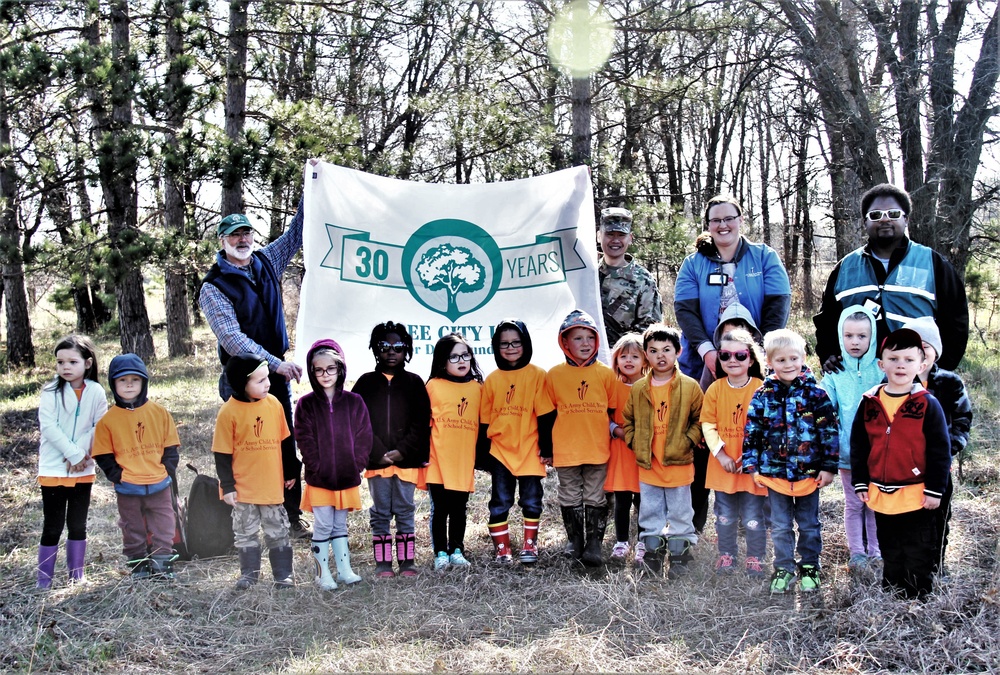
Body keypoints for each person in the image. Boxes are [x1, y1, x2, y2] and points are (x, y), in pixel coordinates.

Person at [674, 195, 791, 534]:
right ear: (707, 225)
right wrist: (710, 352)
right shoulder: (694, 263)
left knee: (755, 435)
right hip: (706, 360)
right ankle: (695, 522)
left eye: (729, 218)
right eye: (715, 220)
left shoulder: (764, 257)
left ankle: (758, 520)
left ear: (741, 219)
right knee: (703, 435)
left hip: (753, 360)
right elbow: (685, 310)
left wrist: (756, 353)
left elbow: (777, 304)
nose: (723, 225)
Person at [199, 205, 310, 539]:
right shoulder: (214, 285)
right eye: (234, 234)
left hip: (276, 371)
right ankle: (246, 520)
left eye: (246, 232)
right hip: (243, 376)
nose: (242, 239)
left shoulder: (266, 260)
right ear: (222, 241)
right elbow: (233, 340)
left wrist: (312, 183)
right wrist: (276, 365)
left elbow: (294, 235)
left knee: (283, 440)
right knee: (250, 448)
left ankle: (290, 517)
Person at [814, 183, 969, 374]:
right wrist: (828, 354)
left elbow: (956, 321)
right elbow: (827, 321)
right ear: (865, 222)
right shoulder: (845, 268)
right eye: (876, 215)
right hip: (859, 378)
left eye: (894, 214)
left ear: (906, 219)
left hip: (916, 379)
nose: (885, 220)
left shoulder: (932, 263)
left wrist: (940, 370)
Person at [850, 328, 951, 599]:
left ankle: (918, 595)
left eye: (908, 360)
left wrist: (934, 489)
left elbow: (940, 449)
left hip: (917, 493)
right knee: (890, 545)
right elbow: (859, 445)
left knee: (917, 546)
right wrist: (860, 481)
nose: (901, 366)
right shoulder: (870, 402)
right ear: (881, 364)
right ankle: (893, 591)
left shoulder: (927, 404)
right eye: (893, 359)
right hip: (882, 492)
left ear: (922, 364)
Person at [742, 329, 838, 594]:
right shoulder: (763, 395)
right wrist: (752, 466)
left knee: (809, 524)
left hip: (809, 473)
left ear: (803, 358)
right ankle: (783, 567)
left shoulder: (816, 394)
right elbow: (752, 432)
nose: (788, 365)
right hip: (775, 474)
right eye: (781, 360)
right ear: (770, 362)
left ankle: (810, 566)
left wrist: (829, 467)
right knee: (781, 525)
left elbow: (829, 431)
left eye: (793, 358)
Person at [623, 324, 703, 578]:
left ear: (678, 352)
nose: (661, 356)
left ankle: (680, 555)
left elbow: (700, 419)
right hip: (649, 466)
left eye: (667, 349)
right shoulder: (639, 389)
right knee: (650, 513)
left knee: (681, 513)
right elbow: (628, 420)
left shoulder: (690, 386)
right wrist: (634, 441)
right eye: (654, 350)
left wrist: (688, 440)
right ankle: (652, 555)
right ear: (646, 354)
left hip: (679, 463)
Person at [352, 321, 431, 578]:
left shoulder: (414, 383)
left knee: (406, 510)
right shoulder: (365, 384)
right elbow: (357, 421)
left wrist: (402, 451)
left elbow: (422, 422)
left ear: (406, 349)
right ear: (376, 349)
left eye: (398, 346)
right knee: (380, 512)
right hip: (377, 463)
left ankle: (407, 562)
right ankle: (383, 563)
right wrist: (378, 452)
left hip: (406, 461)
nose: (391, 351)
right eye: (385, 346)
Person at [92, 354, 181, 580]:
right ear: (113, 384)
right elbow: (103, 454)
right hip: (128, 486)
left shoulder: (159, 412)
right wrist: (118, 475)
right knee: (132, 528)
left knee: (164, 524)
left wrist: (167, 471)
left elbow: (171, 447)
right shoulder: (108, 420)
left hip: (159, 483)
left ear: (144, 382)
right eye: (122, 380)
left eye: (135, 379)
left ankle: (163, 565)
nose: (129, 384)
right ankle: (139, 566)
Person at [295, 339, 372, 590]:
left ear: (340, 370)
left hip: (347, 477)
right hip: (320, 479)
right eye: (318, 369)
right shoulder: (305, 404)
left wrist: (356, 464)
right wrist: (316, 466)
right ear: (311, 371)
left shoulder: (354, 402)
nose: (325, 374)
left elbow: (364, 436)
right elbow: (304, 439)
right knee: (324, 524)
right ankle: (322, 573)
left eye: (331, 368)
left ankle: (344, 569)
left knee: (340, 524)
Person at [213, 355, 295, 590]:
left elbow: (286, 441)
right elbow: (222, 453)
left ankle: (283, 575)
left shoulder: (274, 404)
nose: (267, 384)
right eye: (259, 381)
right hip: (243, 489)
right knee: (245, 533)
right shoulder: (228, 412)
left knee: (277, 530)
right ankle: (249, 575)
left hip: (271, 486)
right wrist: (227, 486)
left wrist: (290, 471)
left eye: (267, 378)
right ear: (241, 384)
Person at [544, 309, 617, 567]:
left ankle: (594, 543)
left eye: (590, 337)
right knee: (569, 494)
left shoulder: (606, 374)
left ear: (597, 341)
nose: (585, 343)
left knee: (596, 495)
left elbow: (613, 411)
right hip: (566, 449)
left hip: (598, 448)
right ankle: (574, 540)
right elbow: (547, 414)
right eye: (577, 338)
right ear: (565, 342)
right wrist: (547, 448)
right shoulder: (553, 375)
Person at [481, 319, 555, 565]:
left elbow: (545, 415)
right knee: (500, 501)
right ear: (495, 346)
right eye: (504, 343)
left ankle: (529, 546)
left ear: (526, 343)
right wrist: (482, 454)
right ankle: (502, 549)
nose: (510, 347)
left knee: (531, 500)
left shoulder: (537, 375)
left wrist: (547, 448)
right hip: (501, 451)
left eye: (516, 342)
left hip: (529, 449)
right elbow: (484, 421)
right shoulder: (491, 379)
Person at [36, 335, 108, 588]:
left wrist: (79, 454)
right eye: (60, 362)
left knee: (77, 524)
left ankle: (76, 576)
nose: (65, 367)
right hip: (53, 469)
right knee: (52, 526)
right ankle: (43, 579)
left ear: (87, 363)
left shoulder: (96, 391)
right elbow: (49, 427)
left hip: (82, 470)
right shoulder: (50, 391)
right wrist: (73, 454)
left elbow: (100, 425)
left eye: (72, 361)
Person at [902, 316, 972, 573]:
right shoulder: (898, 383)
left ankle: (936, 564)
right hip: (908, 466)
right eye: (912, 348)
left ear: (935, 351)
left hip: (939, 466)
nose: (920, 354)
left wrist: (951, 448)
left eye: (925, 347)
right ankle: (912, 564)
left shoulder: (950, 383)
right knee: (910, 516)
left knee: (939, 515)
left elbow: (963, 418)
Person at [819, 305, 884, 574]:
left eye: (861, 336)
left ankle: (876, 551)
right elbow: (824, 407)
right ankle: (857, 553)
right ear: (840, 336)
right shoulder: (835, 372)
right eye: (848, 336)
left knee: (876, 503)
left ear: (872, 337)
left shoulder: (881, 369)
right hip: (847, 454)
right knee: (855, 502)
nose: (855, 342)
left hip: (880, 453)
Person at [700, 328, 768, 577]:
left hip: (753, 468)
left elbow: (767, 426)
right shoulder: (716, 389)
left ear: (751, 358)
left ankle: (755, 557)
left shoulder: (761, 388)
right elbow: (708, 424)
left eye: (739, 355)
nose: (732, 360)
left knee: (753, 515)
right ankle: (727, 555)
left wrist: (751, 456)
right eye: (725, 355)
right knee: (725, 515)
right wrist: (721, 455)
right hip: (723, 466)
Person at [426, 334, 484, 571]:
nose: (461, 360)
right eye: (454, 357)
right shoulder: (432, 386)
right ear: (442, 361)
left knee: (459, 508)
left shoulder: (478, 388)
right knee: (440, 508)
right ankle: (440, 552)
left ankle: (457, 550)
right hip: (438, 460)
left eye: (465, 355)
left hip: (463, 460)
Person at [605, 333, 646, 566]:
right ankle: (621, 542)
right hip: (621, 449)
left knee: (643, 500)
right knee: (622, 498)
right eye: (623, 356)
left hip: (642, 452)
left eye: (634, 356)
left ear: (644, 360)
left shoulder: (649, 387)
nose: (628, 360)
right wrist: (617, 431)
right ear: (616, 360)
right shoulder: (613, 386)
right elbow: (606, 416)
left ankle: (642, 542)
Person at [598, 207, 663, 347]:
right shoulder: (588, 274)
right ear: (599, 236)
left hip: (626, 360)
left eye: (621, 235)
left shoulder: (644, 281)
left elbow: (650, 330)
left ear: (630, 238)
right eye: (610, 234)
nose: (615, 240)